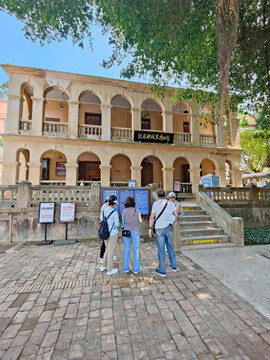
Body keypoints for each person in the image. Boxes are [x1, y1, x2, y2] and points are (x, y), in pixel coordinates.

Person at [148, 188, 178, 277]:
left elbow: (152, 216)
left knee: (161, 249)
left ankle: (162, 270)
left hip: (159, 228)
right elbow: (176, 215)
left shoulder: (156, 204)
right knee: (170, 247)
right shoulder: (171, 203)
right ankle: (173, 266)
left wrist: (150, 228)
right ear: (165, 195)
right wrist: (174, 223)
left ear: (157, 196)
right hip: (169, 227)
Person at [100, 195, 120, 275]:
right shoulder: (114, 212)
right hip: (112, 234)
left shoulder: (103, 210)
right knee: (111, 251)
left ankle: (103, 266)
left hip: (104, 232)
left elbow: (101, 220)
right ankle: (109, 269)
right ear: (114, 204)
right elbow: (117, 224)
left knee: (107, 249)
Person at [122, 196, 142, 274]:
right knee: (135, 249)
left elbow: (123, 221)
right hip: (135, 231)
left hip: (126, 232)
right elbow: (140, 221)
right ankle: (136, 269)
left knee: (126, 249)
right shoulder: (137, 211)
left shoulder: (124, 211)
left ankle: (126, 268)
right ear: (133, 203)